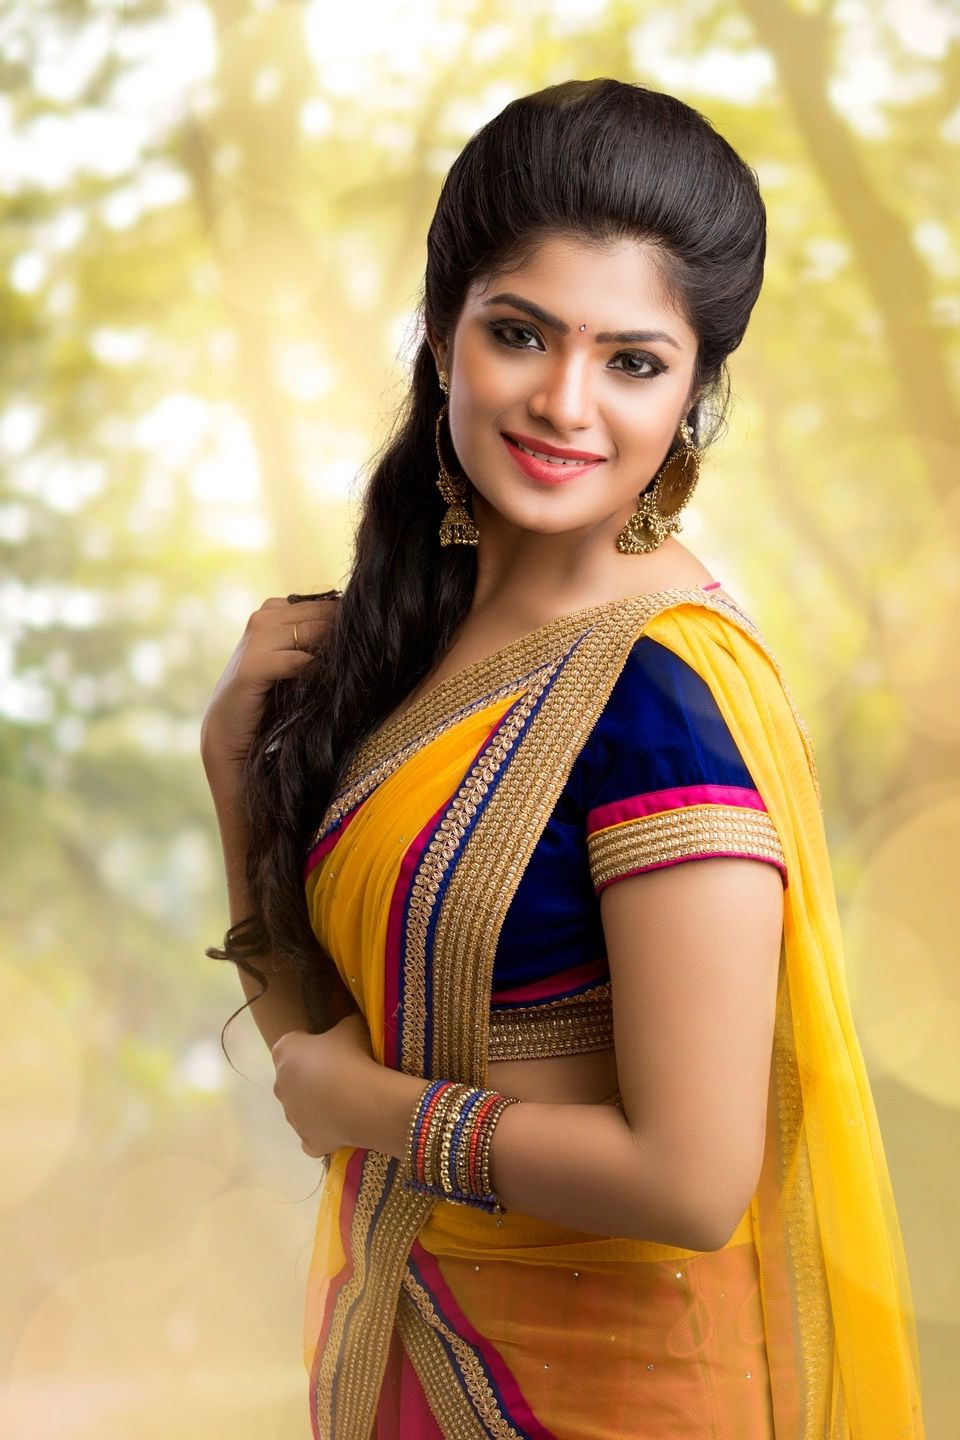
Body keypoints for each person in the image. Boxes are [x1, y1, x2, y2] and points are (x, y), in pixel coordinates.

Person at [200, 78, 925, 1440]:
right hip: (401, 1350)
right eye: (519, 334)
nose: (564, 404)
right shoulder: (409, 641)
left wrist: (377, 1105)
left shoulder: (661, 698)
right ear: (440, 334)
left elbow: (691, 1179)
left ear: (696, 391)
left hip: (614, 1397)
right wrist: (234, 766)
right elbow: (313, 1053)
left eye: (634, 361)